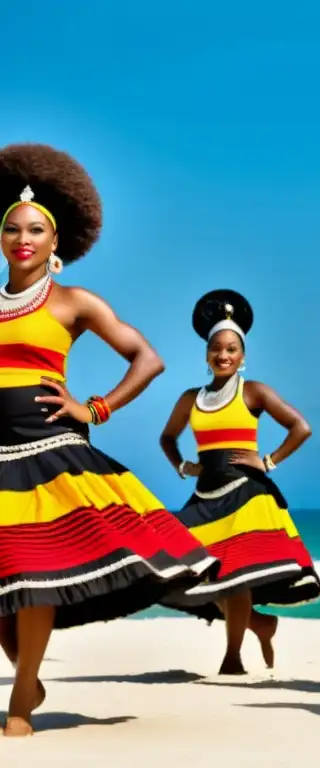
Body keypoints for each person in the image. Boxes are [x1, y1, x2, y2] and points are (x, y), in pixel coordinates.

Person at [0, 143, 217, 736]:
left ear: (54, 243)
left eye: (36, 230)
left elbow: (147, 359)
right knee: (4, 585)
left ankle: (20, 702)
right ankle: (27, 671)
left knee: (31, 574)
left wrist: (93, 408)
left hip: (46, 454)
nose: (24, 238)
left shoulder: (74, 302)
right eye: (13, 229)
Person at [158, 289, 320, 675]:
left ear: (243, 355)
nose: (223, 355)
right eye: (216, 348)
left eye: (232, 349)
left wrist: (268, 461)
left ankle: (232, 658)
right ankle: (259, 624)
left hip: (248, 495)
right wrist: (183, 466)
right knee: (173, 565)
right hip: (205, 496)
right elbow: (167, 437)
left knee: (235, 576)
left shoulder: (254, 392)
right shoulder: (189, 398)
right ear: (206, 354)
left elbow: (302, 427)